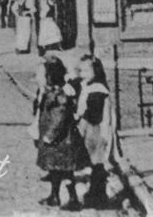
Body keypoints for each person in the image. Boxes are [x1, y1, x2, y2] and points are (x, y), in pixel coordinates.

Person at [36, 56, 89, 210]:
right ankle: (54, 195)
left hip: (61, 141)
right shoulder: (52, 92)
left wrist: (50, 135)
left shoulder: (59, 96)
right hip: (57, 143)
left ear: (50, 77)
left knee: (66, 172)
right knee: (55, 170)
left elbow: (59, 118)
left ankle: (73, 199)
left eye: (43, 76)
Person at [74, 55, 114, 208]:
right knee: (94, 161)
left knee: (97, 162)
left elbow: (94, 114)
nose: (82, 74)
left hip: (96, 128)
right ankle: (95, 193)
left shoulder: (98, 89)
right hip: (91, 127)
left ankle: (98, 196)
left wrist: (78, 116)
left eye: (86, 70)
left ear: (96, 71)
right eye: (81, 70)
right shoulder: (88, 85)